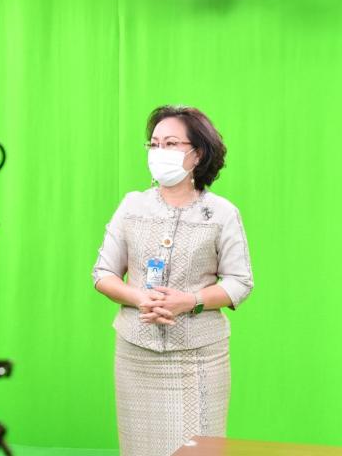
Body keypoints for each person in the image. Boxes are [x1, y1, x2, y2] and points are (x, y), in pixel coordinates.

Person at [92, 105, 254, 456]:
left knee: (197, 449)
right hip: (136, 353)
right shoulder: (132, 206)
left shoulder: (222, 213)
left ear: (198, 154)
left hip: (199, 355)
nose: (159, 152)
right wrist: (139, 298)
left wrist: (190, 301)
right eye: (154, 144)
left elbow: (240, 282)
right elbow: (103, 274)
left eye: (170, 144)